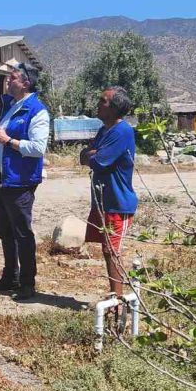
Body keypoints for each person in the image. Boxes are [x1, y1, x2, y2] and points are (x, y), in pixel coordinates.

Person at [0, 62, 50, 300]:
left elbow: (37, 148)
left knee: (22, 232)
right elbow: (4, 136)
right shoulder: (12, 106)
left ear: (26, 82)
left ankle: (27, 283)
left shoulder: (37, 111)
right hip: (2, 177)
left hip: (20, 181)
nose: (8, 81)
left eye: (12, 77)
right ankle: (10, 276)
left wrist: (7, 140)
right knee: (4, 230)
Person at [80, 86, 138, 298]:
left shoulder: (123, 131)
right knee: (106, 250)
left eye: (103, 101)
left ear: (114, 108)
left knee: (112, 250)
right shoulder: (104, 130)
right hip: (103, 201)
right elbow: (84, 155)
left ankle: (118, 299)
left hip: (118, 202)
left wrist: (92, 155)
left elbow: (100, 161)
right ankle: (116, 296)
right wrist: (91, 154)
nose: (98, 104)